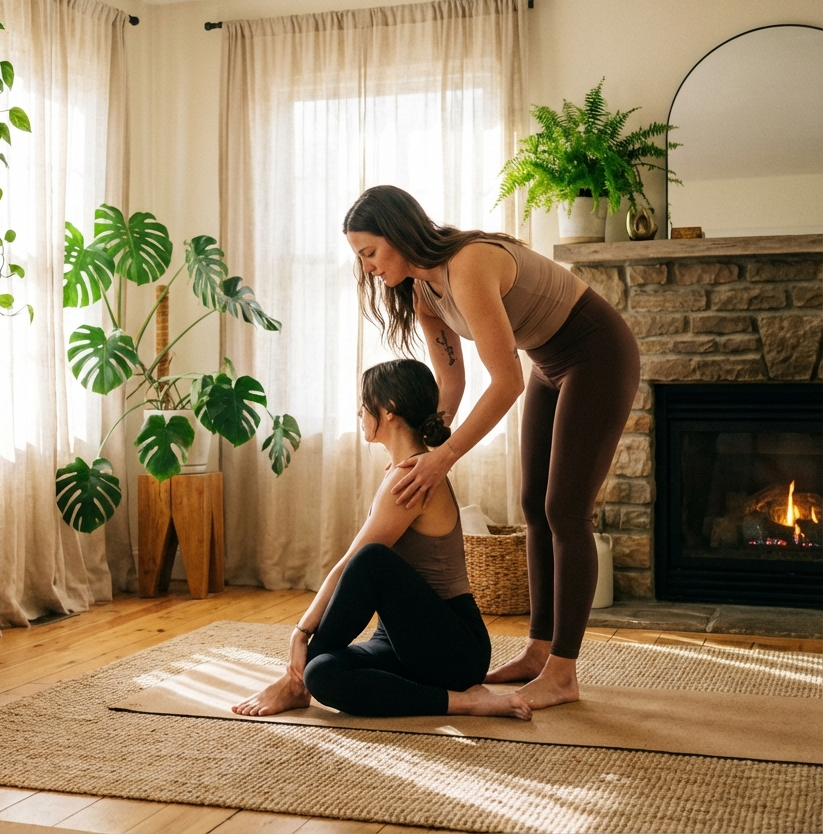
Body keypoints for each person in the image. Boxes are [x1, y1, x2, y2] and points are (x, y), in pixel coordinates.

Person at [341, 185, 640, 710]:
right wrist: (428, 439)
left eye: (369, 252)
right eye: (359, 258)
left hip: (597, 352)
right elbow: (449, 384)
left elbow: (506, 383)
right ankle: (538, 650)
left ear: (399, 232)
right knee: (533, 506)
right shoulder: (423, 293)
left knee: (565, 511)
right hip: (550, 362)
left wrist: (445, 457)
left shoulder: (468, 264)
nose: (366, 267)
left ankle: (563, 673)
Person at [232, 358, 531, 721]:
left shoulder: (411, 478)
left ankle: (295, 686)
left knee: (370, 560)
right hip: (402, 642)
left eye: (365, 402)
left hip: (454, 647)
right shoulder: (408, 471)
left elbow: (353, 564)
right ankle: (307, 683)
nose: (360, 411)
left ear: (388, 411)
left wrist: (301, 632)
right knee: (322, 673)